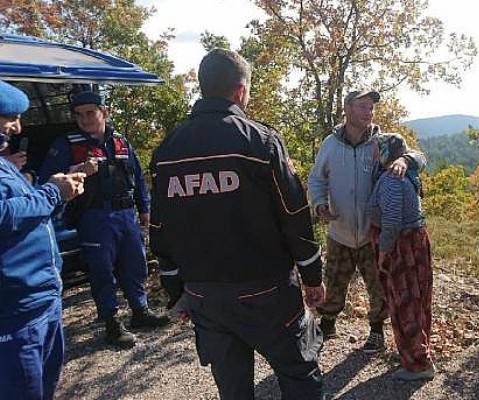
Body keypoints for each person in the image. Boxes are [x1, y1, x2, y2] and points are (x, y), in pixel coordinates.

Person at [149, 48, 326, 400]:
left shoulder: (166, 150)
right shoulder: (259, 141)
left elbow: (159, 229)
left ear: (202, 87)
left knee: (232, 388)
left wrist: (175, 291)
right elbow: (294, 215)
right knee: (299, 375)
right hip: (266, 291)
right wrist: (312, 276)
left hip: (204, 295)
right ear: (240, 91)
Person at [38, 91, 169, 349]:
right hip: (93, 217)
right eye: (79, 114)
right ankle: (111, 323)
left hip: (125, 215)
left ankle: (140, 312)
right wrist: (76, 172)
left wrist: (145, 208)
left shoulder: (120, 142)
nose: (84, 119)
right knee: (101, 271)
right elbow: (47, 181)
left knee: (135, 264)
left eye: (90, 113)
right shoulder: (66, 144)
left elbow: (138, 178)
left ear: (104, 112)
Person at [307, 89, 426, 353]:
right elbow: (316, 178)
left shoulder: (383, 142)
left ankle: (376, 330)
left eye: (371, 107)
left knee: (378, 284)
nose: (368, 112)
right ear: (347, 108)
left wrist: (405, 160)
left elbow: (420, 156)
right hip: (340, 229)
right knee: (335, 279)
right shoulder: (330, 144)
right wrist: (319, 204)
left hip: (373, 233)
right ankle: (328, 323)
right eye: (362, 106)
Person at [0, 80, 86, 399]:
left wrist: (53, 191)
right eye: (9, 116)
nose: (18, 126)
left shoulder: (4, 164)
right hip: (14, 313)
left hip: (42, 300)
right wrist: (53, 192)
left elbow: (26, 210)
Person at [367, 132, 434, 381]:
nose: (373, 154)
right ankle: (416, 353)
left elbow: (392, 222)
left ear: (387, 152)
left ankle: (418, 363)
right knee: (417, 301)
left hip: (400, 248)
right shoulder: (402, 174)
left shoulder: (392, 180)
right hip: (411, 243)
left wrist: (383, 253)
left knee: (405, 303)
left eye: (376, 149)